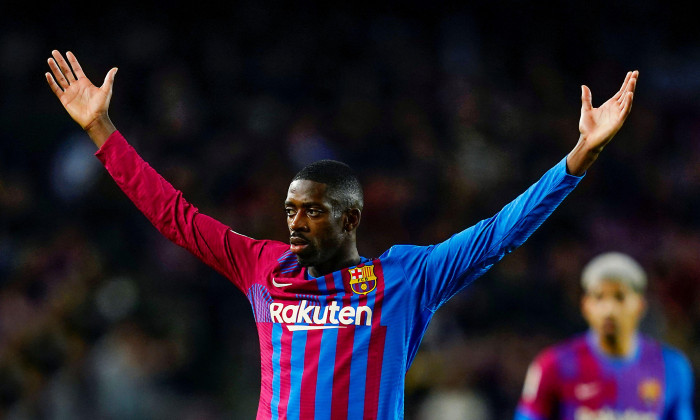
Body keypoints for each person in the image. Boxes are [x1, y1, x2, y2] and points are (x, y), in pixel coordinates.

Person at [46, 49, 638, 420]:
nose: (295, 224)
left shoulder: (405, 278)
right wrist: (102, 131)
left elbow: (498, 234)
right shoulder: (262, 267)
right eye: (289, 211)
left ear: (352, 218)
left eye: (312, 212)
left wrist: (578, 157)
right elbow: (174, 214)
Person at [514, 252, 694, 420]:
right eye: (599, 297)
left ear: (640, 305)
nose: (609, 310)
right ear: (585, 306)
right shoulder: (553, 365)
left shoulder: (671, 367)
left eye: (620, 297)